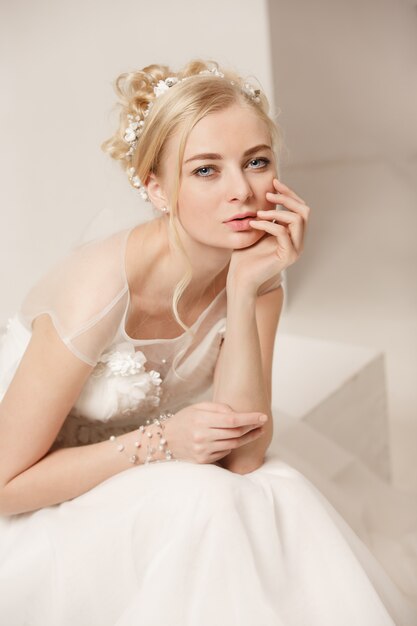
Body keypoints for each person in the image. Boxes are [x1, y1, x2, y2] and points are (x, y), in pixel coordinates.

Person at [0, 59, 415, 626]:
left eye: (257, 162)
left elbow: (244, 456)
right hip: (34, 501)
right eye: (204, 171)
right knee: (208, 501)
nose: (242, 191)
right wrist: (160, 442)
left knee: (272, 491)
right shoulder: (96, 291)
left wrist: (245, 292)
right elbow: (5, 486)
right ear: (156, 188)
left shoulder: (258, 270)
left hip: (139, 476)